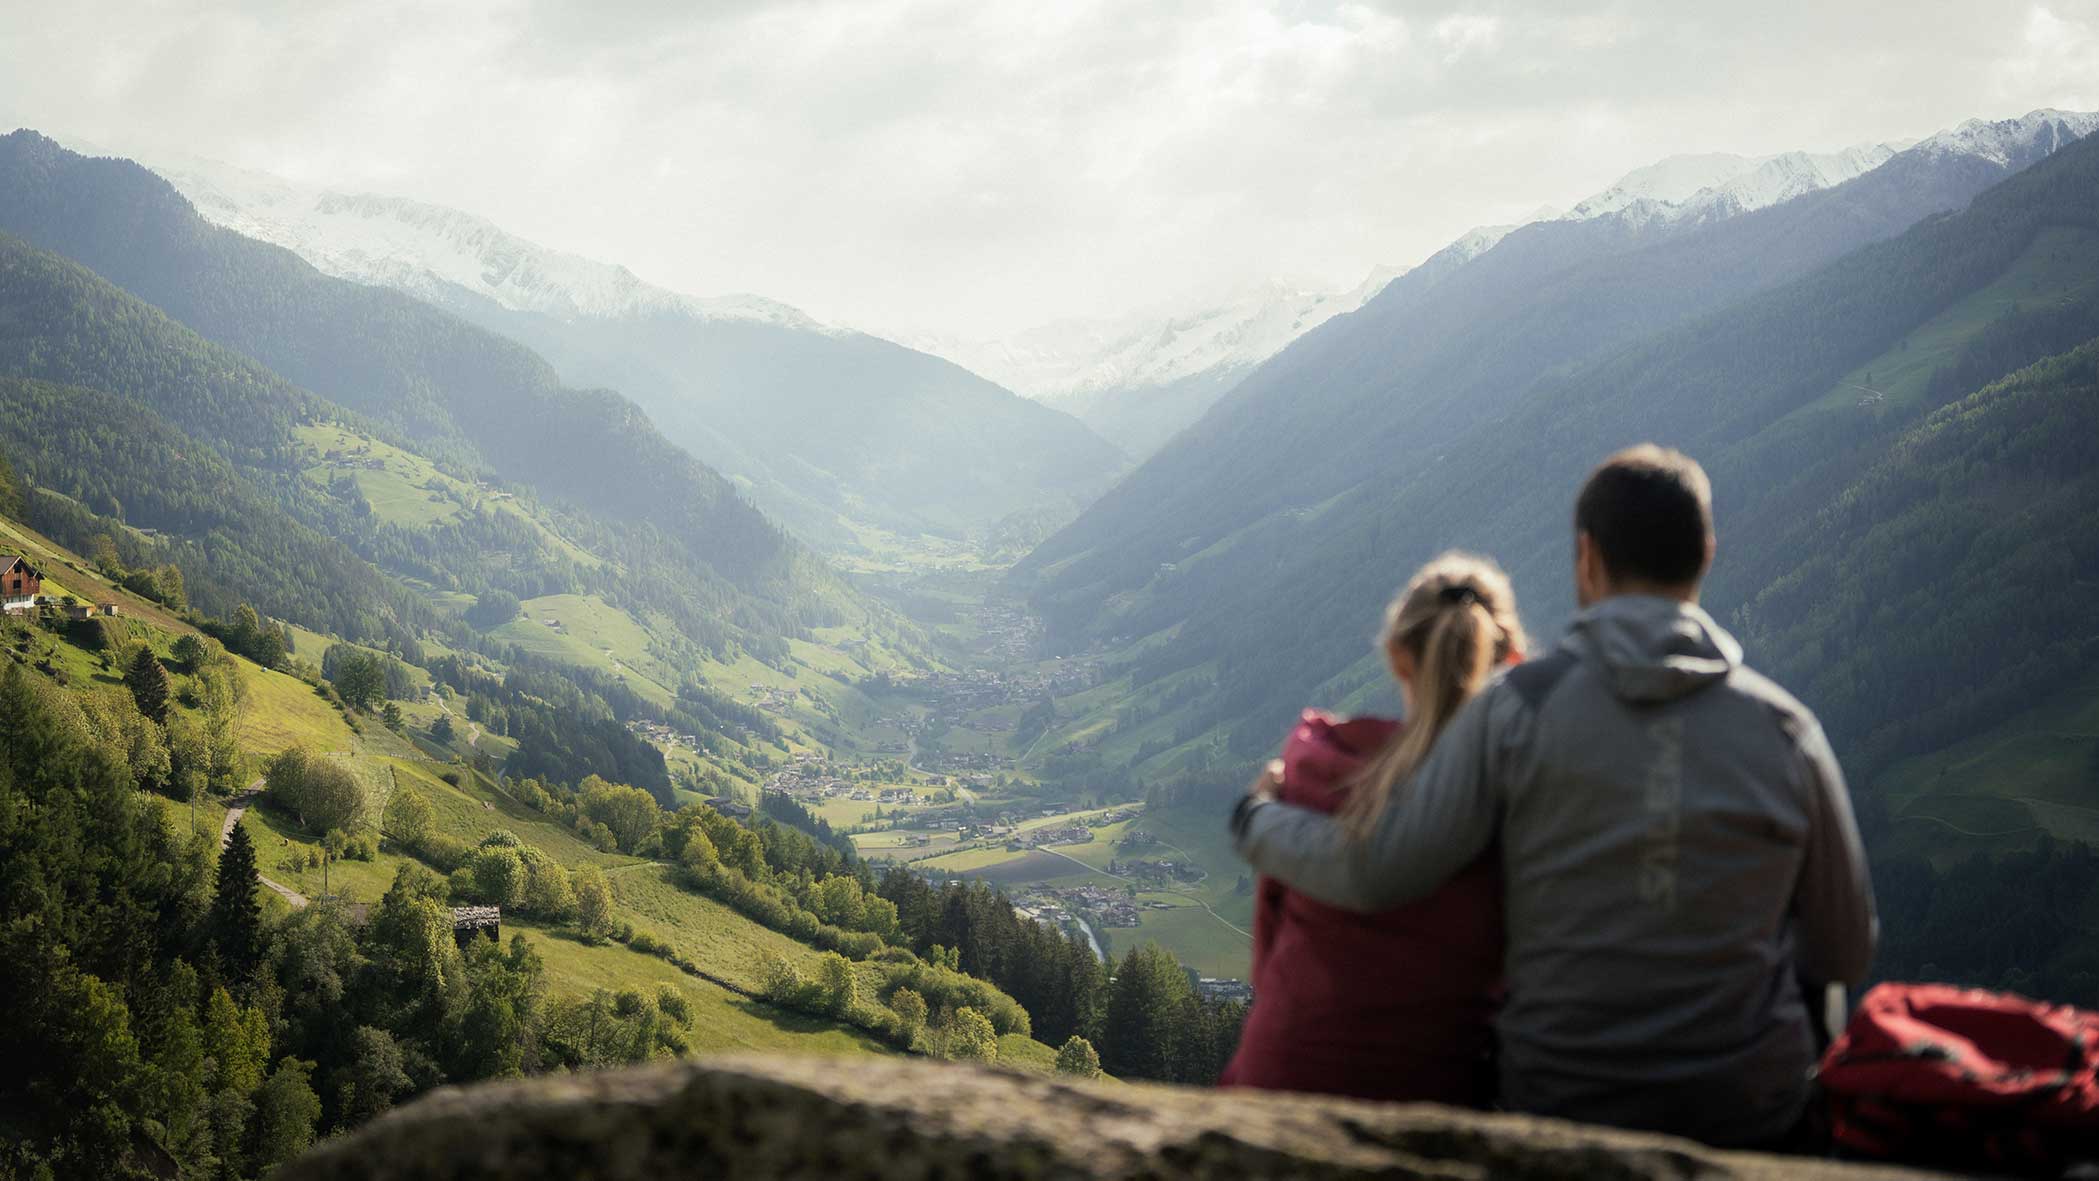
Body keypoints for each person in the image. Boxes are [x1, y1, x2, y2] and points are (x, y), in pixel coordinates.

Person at [1231, 444, 1877, 1148]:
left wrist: (1255, 820)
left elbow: (1378, 869)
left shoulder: (1516, 709)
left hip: (1560, 1100)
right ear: (1706, 554)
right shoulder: (1786, 730)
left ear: (1586, 558)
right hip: (1750, 1108)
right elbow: (1843, 951)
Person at [1221, 553, 1526, 1103]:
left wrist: (1257, 814)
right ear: (1512, 658)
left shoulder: (1319, 772)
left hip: (1284, 1076)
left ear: (1396, 658)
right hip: (1439, 1091)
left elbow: (1269, 950)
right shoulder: (1523, 793)